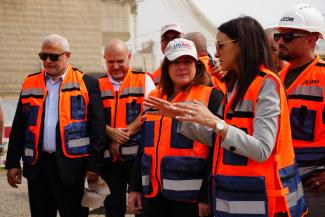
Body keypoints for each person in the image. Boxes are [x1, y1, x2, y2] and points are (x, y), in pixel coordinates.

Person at [144, 16, 307, 217]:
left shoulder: (267, 84)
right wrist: (179, 117)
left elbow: (262, 149)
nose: (216, 53)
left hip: (265, 202)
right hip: (235, 198)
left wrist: (216, 123)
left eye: (221, 45)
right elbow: (219, 139)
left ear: (241, 46)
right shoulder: (236, 85)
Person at [5, 34, 106, 217]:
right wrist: (12, 163)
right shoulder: (30, 83)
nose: (48, 61)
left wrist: (94, 167)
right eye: (43, 56)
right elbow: (19, 127)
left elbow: (98, 129)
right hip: (38, 167)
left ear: (67, 55)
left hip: (72, 169)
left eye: (54, 56)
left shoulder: (87, 84)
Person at [128, 38, 224, 217]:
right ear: (167, 66)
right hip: (154, 196)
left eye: (187, 61)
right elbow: (143, 147)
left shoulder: (212, 96)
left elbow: (218, 151)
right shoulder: (155, 96)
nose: (182, 67)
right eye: (175, 62)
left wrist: (206, 196)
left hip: (192, 200)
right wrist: (134, 187)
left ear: (197, 65)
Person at [275, 4, 325, 217]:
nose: (279, 42)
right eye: (278, 36)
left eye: (288, 37)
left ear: (312, 40)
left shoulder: (323, 76)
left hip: (315, 184)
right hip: (284, 179)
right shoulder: (277, 77)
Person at [98, 38, 156, 217]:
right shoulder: (96, 85)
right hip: (108, 161)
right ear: (105, 59)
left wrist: (124, 134)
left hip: (137, 160)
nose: (115, 66)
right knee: (113, 208)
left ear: (129, 57)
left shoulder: (144, 80)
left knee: (141, 207)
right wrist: (110, 132)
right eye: (111, 61)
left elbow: (151, 112)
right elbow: (91, 118)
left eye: (120, 61)